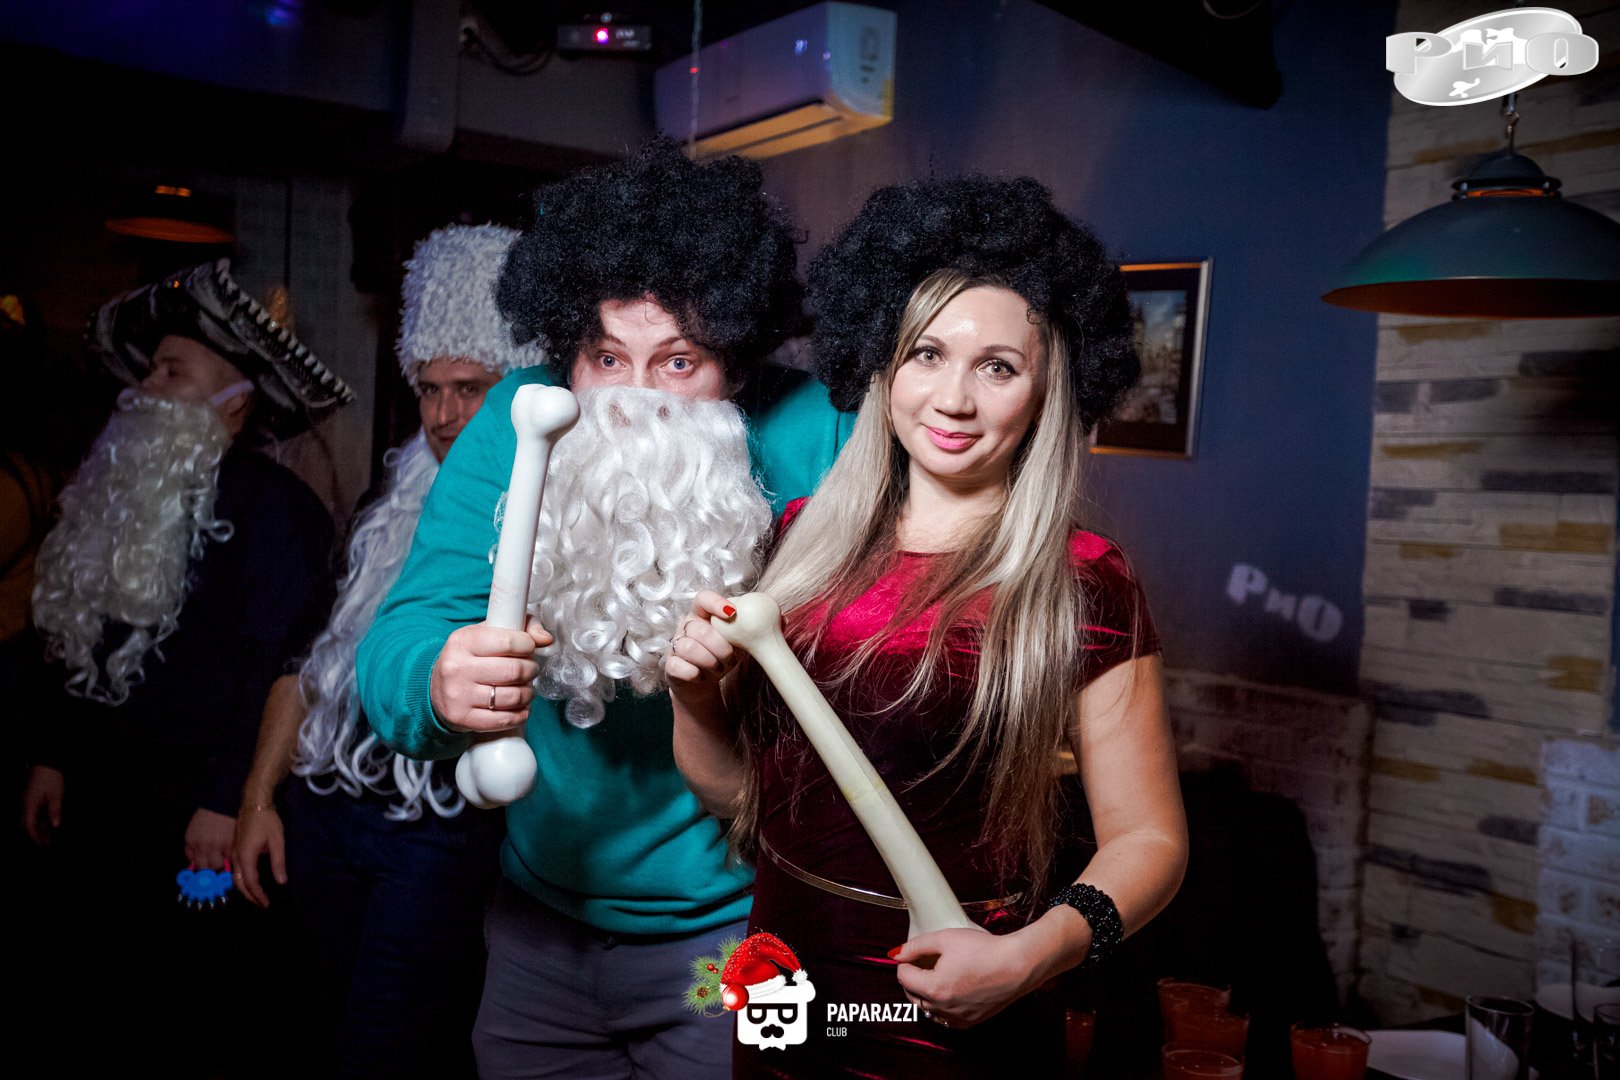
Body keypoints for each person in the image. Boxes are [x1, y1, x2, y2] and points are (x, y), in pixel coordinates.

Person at [667, 175, 1189, 1077]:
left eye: (998, 367)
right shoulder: (797, 543)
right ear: (883, 364)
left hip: (956, 1004)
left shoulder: (1084, 580)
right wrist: (696, 700)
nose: (953, 399)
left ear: (1045, 391)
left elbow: (1152, 842)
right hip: (782, 983)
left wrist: (1032, 956)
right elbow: (738, 801)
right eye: (927, 353)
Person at [356, 140, 853, 1079]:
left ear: (734, 361)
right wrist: (436, 680)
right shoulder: (518, 419)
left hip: (738, 934)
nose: (632, 400)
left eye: (678, 361)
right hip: (536, 926)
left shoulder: (823, 431)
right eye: (605, 356)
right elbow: (400, 637)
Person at [19, 260, 352, 1075]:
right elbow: (77, 633)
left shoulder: (277, 511)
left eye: (172, 372)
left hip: (197, 805)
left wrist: (225, 800)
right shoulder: (122, 498)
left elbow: (282, 662)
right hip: (106, 797)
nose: (144, 390)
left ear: (234, 403)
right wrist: (53, 755)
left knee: (193, 1006)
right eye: (147, 372)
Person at [229, 225, 545, 1078]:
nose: (442, 416)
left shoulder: (544, 512)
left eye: (469, 389)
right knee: (315, 1029)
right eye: (428, 390)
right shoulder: (388, 497)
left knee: (386, 1052)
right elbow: (308, 658)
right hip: (327, 813)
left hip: (436, 833)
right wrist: (257, 798)